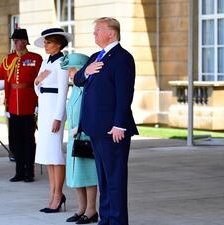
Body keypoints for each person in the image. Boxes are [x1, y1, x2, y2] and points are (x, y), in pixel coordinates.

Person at [74, 17, 138, 225]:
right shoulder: (95, 56)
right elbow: (77, 80)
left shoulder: (122, 58)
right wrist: (86, 70)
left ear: (111, 33)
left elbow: (124, 94)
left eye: (98, 30)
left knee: (115, 178)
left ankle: (118, 221)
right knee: (103, 178)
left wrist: (119, 124)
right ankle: (106, 219)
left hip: (113, 129)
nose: (94, 33)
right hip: (95, 128)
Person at [0, 28, 43, 182]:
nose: (15, 43)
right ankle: (19, 171)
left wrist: (38, 104)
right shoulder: (7, 60)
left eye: (17, 40)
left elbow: (40, 82)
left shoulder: (35, 58)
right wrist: (1, 84)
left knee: (28, 140)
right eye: (14, 40)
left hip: (28, 104)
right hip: (13, 105)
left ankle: (29, 172)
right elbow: (1, 80)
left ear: (24, 41)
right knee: (15, 140)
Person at [33, 28, 71, 213]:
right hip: (45, 109)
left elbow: (63, 92)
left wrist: (58, 117)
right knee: (48, 155)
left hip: (54, 110)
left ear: (58, 44)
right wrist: (37, 83)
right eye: (45, 42)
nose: (45, 46)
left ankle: (58, 195)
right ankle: (52, 194)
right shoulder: (46, 61)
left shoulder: (62, 62)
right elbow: (38, 86)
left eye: (48, 42)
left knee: (55, 154)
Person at [61, 53, 99, 224]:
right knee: (76, 175)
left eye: (72, 69)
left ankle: (91, 210)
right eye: (69, 70)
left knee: (88, 174)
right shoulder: (76, 86)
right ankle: (81, 209)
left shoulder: (89, 85)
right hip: (74, 137)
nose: (70, 73)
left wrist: (81, 126)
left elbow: (91, 110)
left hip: (85, 134)